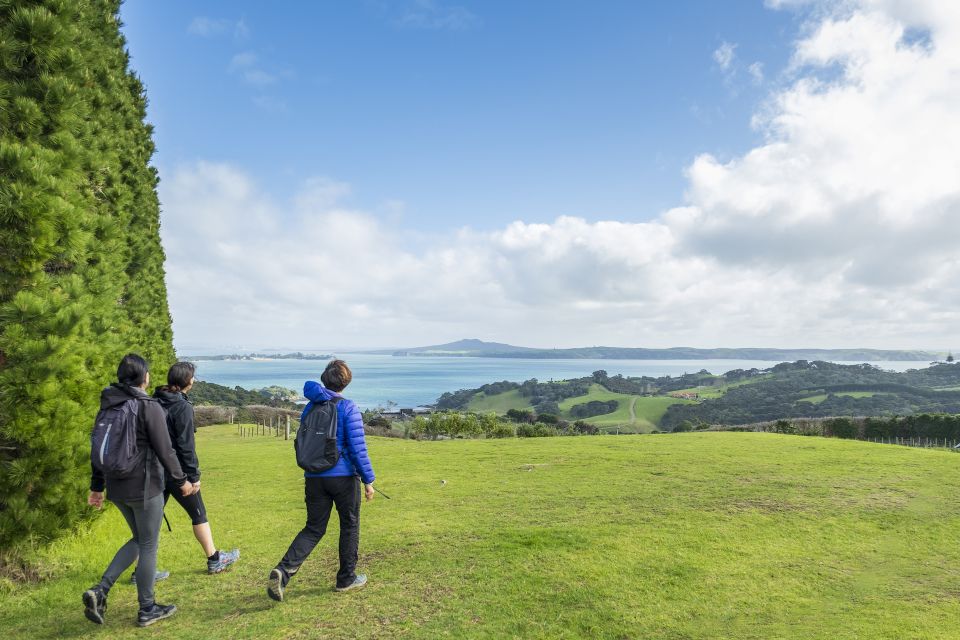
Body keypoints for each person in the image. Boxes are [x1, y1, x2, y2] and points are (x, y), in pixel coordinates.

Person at [83, 354, 198, 628]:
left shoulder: (109, 404)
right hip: (144, 486)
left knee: (138, 538)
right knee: (148, 544)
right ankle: (147, 608)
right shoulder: (148, 406)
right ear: (143, 378)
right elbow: (165, 450)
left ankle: (101, 590)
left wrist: (97, 487)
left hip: (116, 486)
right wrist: (182, 480)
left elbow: (99, 446)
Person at [267, 359, 376, 601]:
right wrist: (368, 480)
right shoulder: (347, 407)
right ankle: (346, 578)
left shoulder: (310, 407)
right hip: (344, 477)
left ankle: (283, 571)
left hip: (314, 476)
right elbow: (358, 449)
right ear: (345, 381)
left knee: (314, 527)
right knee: (349, 525)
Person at [154, 361, 240, 574]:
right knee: (198, 513)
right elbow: (186, 446)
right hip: (177, 472)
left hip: (155, 469)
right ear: (187, 381)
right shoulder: (182, 407)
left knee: (151, 521)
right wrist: (193, 476)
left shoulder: (155, 401)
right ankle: (214, 559)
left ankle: (143, 570)